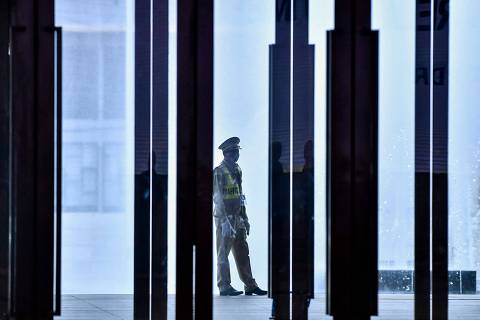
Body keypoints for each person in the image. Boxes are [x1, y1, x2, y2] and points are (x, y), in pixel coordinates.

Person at [213, 137, 267, 296]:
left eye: (237, 151)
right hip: (225, 219)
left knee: (243, 251)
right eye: (235, 151)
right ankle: (224, 286)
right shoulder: (219, 171)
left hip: (238, 218)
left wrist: (245, 218)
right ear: (227, 153)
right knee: (223, 253)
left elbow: (239, 195)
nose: (238, 154)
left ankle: (250, 284)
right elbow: (217, 197)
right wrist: (224, 221)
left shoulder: (237, 169)